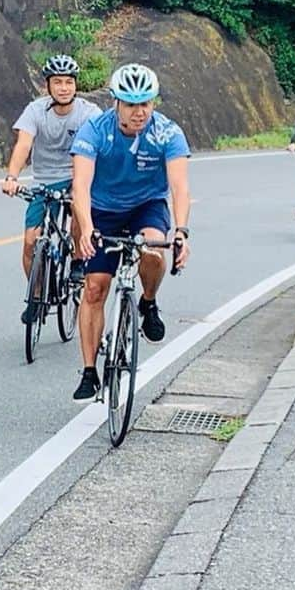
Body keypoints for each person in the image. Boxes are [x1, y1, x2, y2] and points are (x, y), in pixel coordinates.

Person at [69, 63, 191, 402]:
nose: (139, 112)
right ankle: (90, 370)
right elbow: (80, 185)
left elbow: (180, 187)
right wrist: (87, 228)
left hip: (146, 205)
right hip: (103, 209)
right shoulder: (94, 130)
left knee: (153, 251)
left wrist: (181, 231)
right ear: (116, 103)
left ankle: (147, 302)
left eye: (146, 103)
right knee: (95, 287)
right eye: (131, 104)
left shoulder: (167, 133)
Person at [1, 55, 102, 321]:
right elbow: (24, 144)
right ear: (48, 86)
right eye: (57, 82)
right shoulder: (35, 110)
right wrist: (12, 177)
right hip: (44, 181)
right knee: (30, 242)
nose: (64, 87)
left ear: (76, 85)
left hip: (76, 177)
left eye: (69, 82)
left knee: (78, 208)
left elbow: (103, 143)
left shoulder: (89, 112)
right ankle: (36, 297)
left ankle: (79, 261)